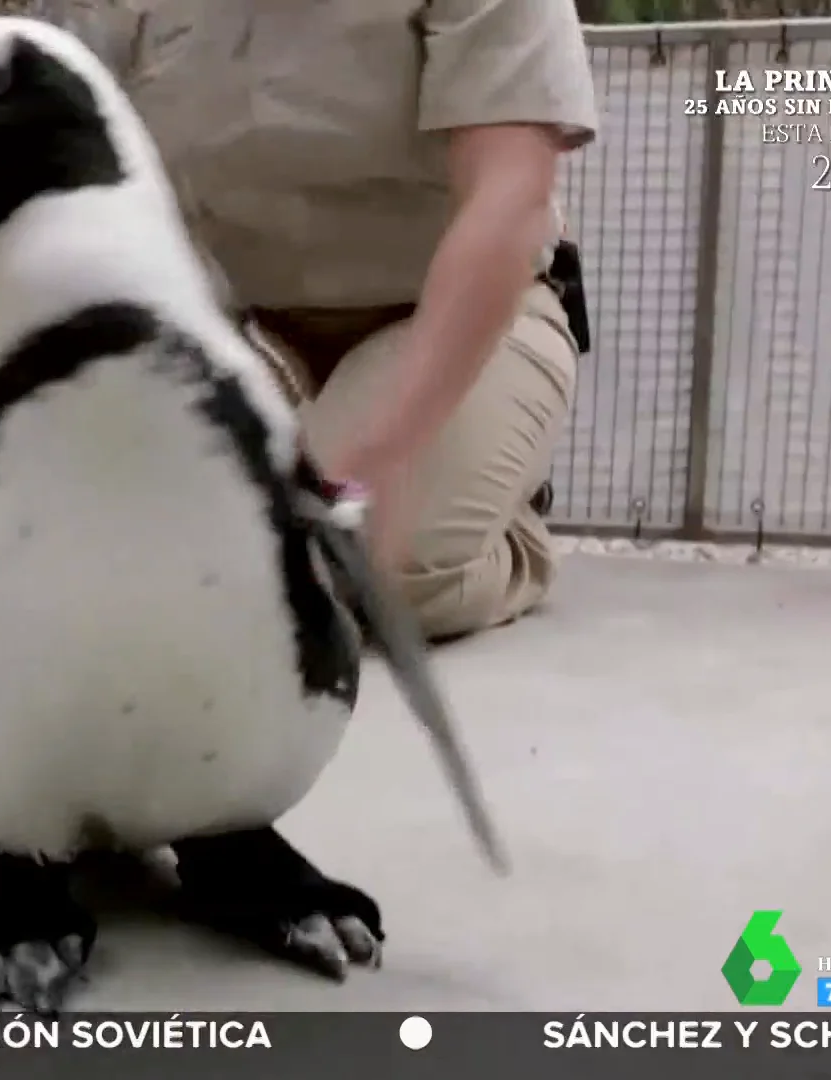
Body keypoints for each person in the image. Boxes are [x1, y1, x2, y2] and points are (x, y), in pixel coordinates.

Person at [50, 0, 600, 641]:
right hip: (241, 332)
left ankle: (506, 535)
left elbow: (508, 199)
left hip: (455, 320)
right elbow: (42, 184)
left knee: (350, 568)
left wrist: (385, 450)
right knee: (140, 566)